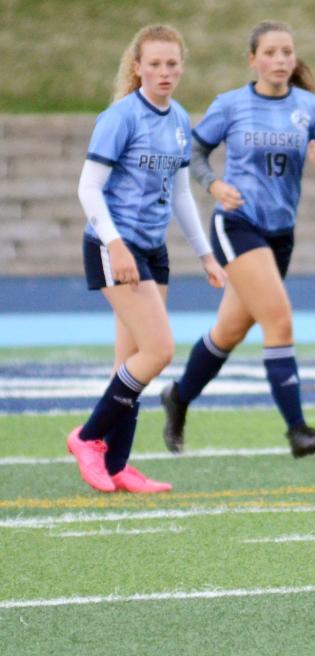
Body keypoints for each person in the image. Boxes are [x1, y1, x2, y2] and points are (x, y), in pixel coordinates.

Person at [160, 21, 315, 458]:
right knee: (278, 319)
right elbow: (193, 154)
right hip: (237, 223)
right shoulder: (232, 104)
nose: (280, 60)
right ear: (253, 59)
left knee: (229, 330)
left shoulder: (310, 108)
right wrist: (213, 186)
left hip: (281, 234)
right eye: (271, 52)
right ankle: (298, 430)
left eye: (287, 52)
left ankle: (178, 397)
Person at [71, 25, 227, 494]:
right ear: (137, 66)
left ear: (181, 67)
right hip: (114, 247)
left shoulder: (179, 118)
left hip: (154, 253)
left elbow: (180, 192)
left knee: (131, 360)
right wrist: (115, 245)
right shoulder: (121, 117)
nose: (164, 72)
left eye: (172, 64)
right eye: (155, 64)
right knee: (159, 351)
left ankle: (117, 466)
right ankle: (88, 437)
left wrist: (205, 254)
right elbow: (88, 187)